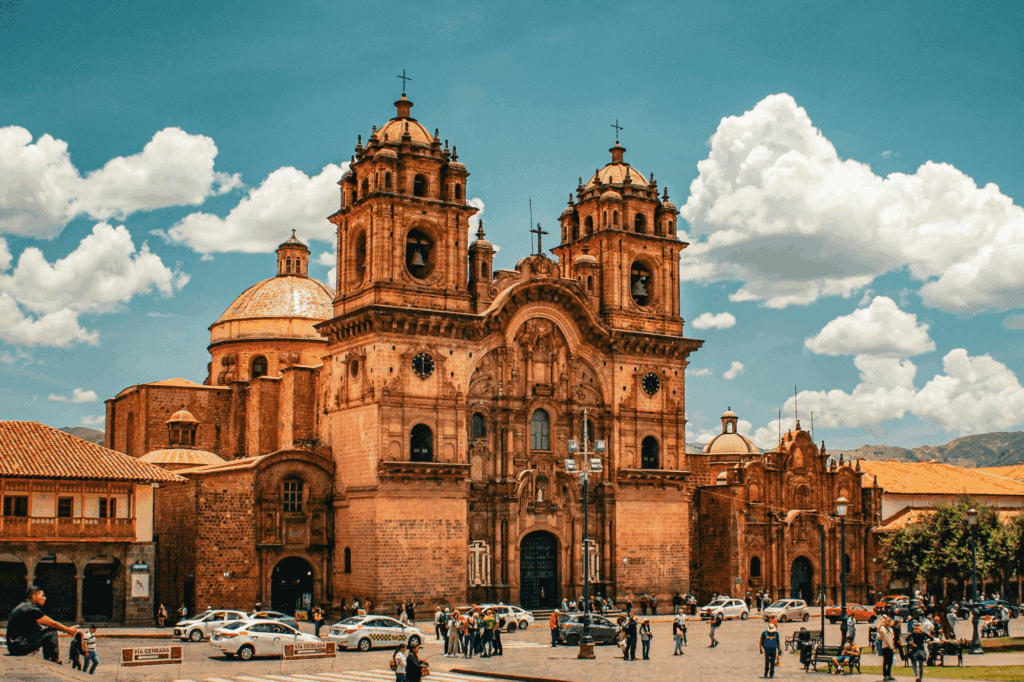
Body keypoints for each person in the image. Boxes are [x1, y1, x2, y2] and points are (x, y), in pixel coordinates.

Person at [5, 586, 77, 662]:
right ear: (34, 597)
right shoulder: (32, 609)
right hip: (19, 647)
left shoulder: (24, 605)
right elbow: (53, 624)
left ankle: (49, 658)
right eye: (42, 596)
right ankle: (53, 660)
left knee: (40, 628)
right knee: (51, 632)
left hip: (13, 646)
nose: (45, 598)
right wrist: (69, 630)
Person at [878, 617, 896, 682]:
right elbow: (878, 630)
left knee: (890, 662)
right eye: (887, 621)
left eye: (889, 621)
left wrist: (893, 647)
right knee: (885, 662)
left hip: (890, 647)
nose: (888, 622)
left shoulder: (891, 629)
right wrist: (881, 622)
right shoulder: (883, 628)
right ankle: (885, 675)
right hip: (885, 647)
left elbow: (892, 639)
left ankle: (888, 674)